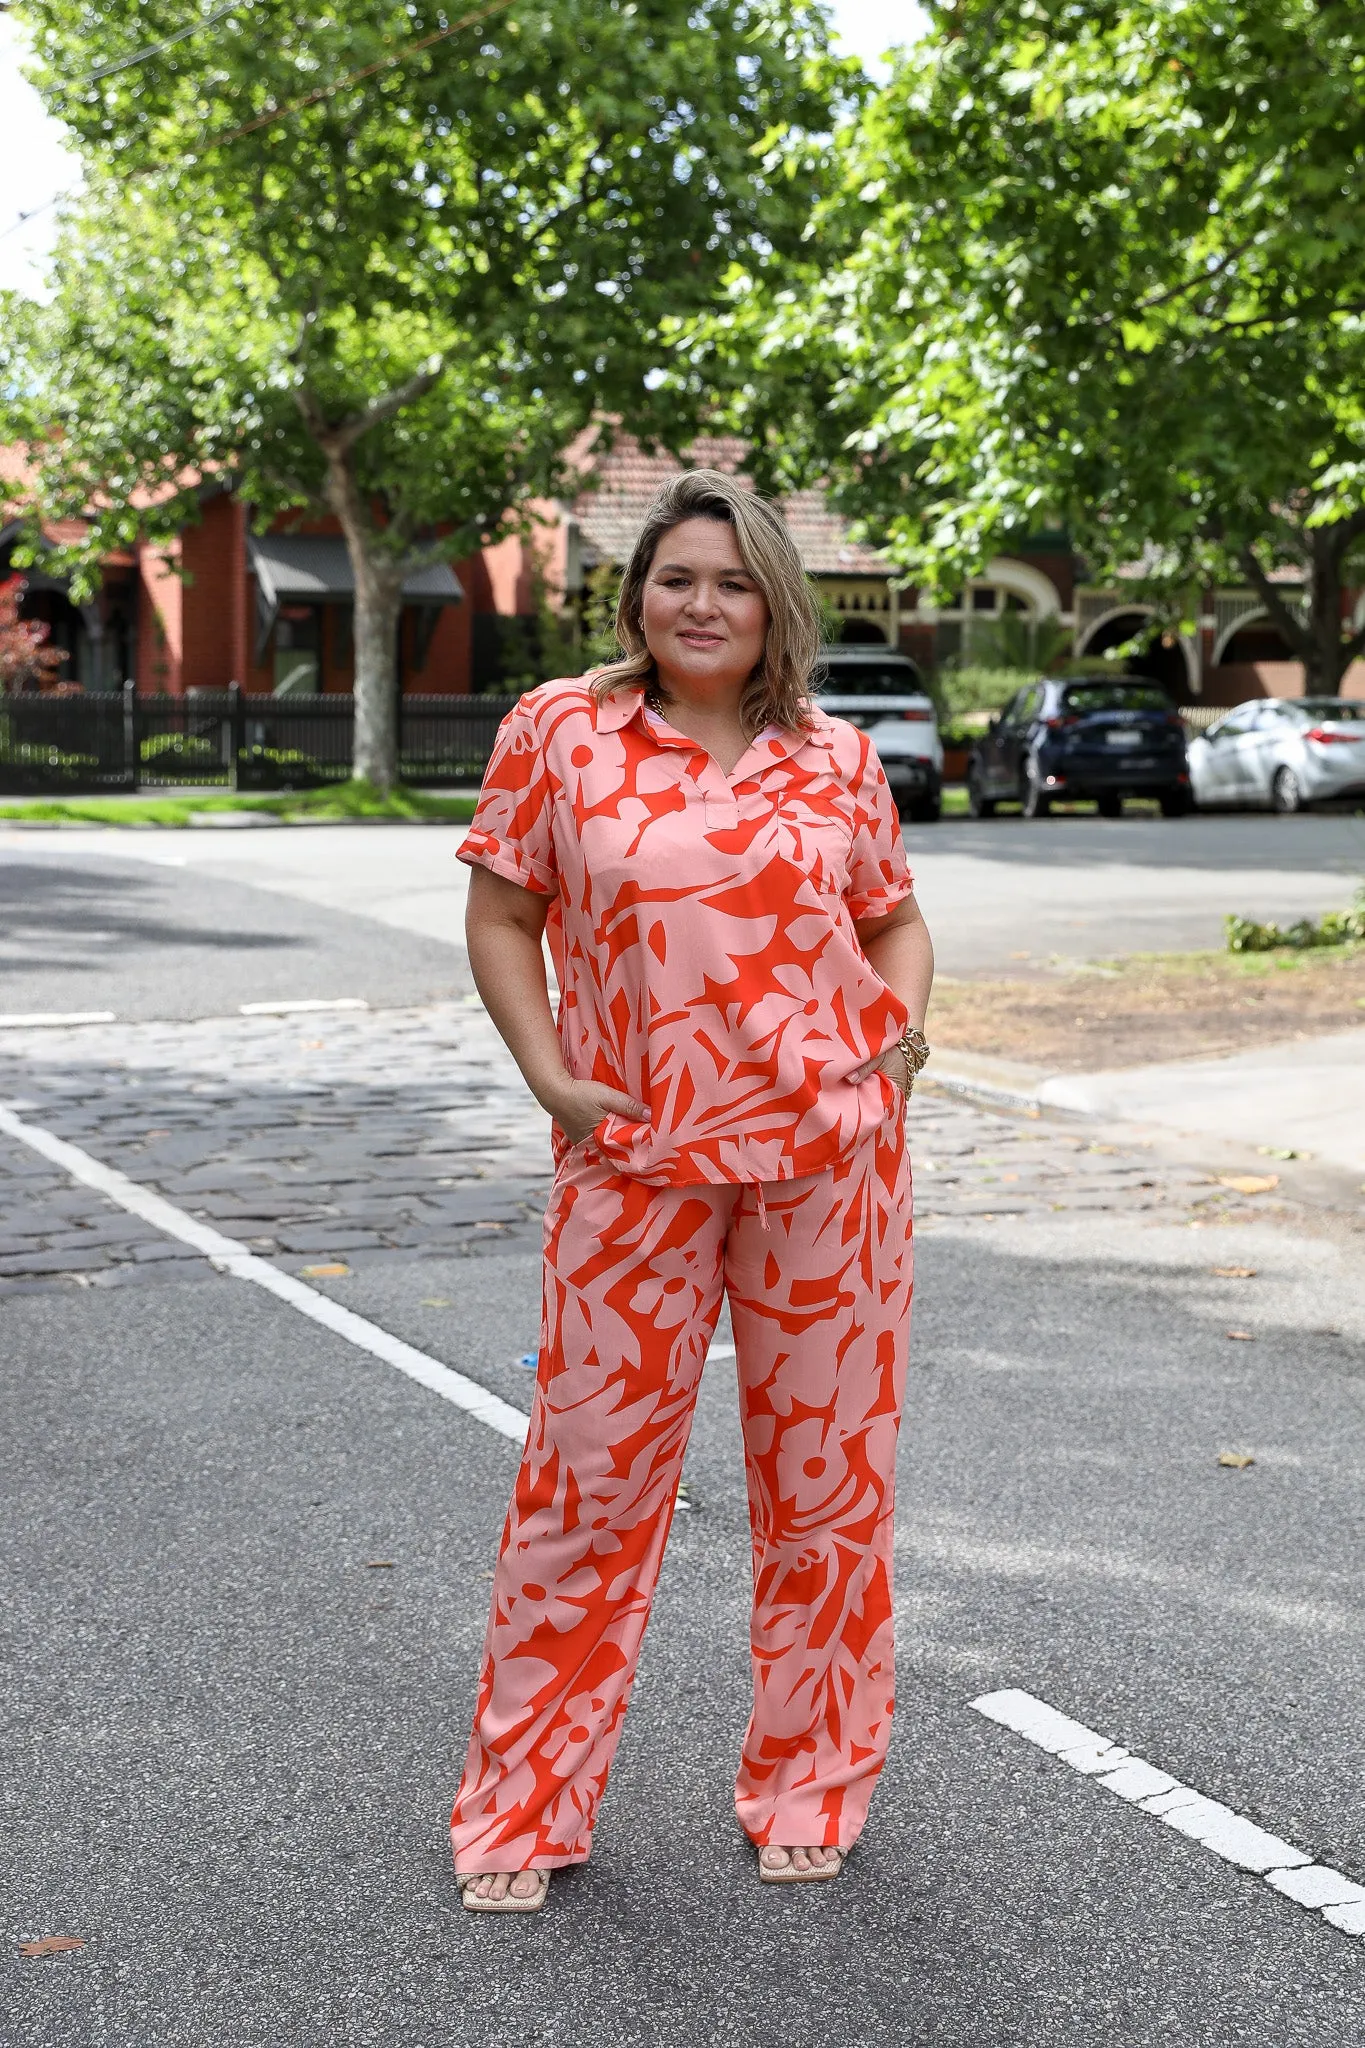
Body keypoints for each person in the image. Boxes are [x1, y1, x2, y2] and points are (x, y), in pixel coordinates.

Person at [450, 468, 934, 1912]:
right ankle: (523, 1810)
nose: (703, 603)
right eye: (678, 579)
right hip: (633, 1165)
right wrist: (550, 1074)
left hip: (826, 1173)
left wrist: (895, 1058)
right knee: (586, 1488)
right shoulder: (562, 733)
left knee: (827, 1499)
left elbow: (897, 923)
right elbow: (500, 907)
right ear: (636, 597)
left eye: (732, 582)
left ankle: (812, 1782)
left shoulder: (836, 760)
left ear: (775, 600)